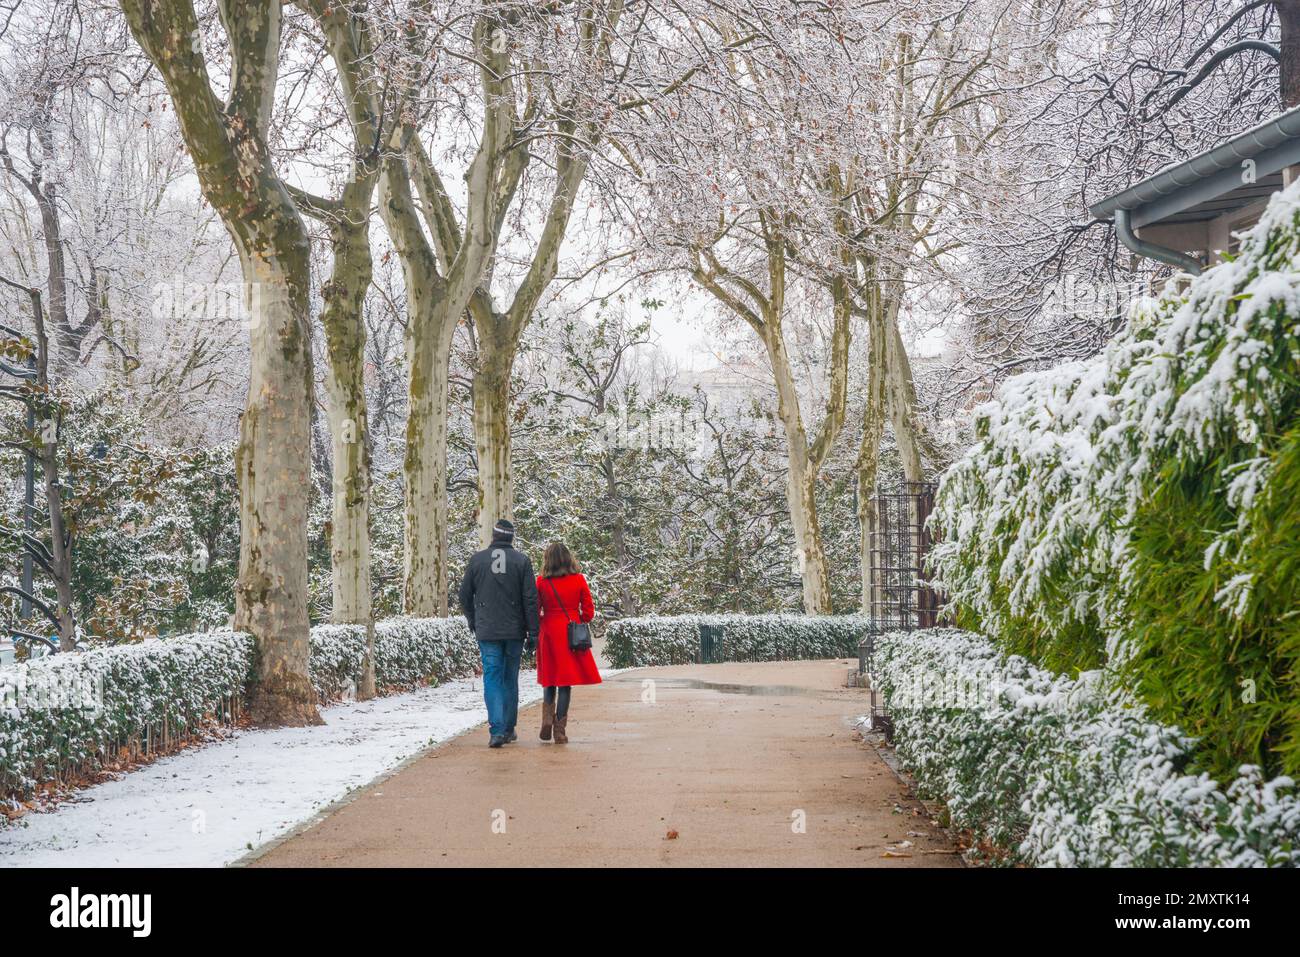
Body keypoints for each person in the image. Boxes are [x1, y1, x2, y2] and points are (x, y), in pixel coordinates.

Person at [458, 519, 539, 748]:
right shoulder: (522, 561)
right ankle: (509, 727)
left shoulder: (477, 560)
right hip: (514, 630)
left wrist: (474, 620)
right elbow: (530, 599)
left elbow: (464, 596)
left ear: (493, 537)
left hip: (487, 629)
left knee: (492, 677)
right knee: (510, 678)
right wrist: (533, 632)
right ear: (511, 538)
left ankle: (496, 729)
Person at [535, 541, 600, 743]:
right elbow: (589, 613)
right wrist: (576, 615)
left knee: (549, 678)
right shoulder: (579, 580)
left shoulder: (541, 582)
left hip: (548, 632)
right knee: (565, 683)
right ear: (568, 558)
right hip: (569, 632)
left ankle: (546, 719)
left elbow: (535, 611)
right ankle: (559, 731)